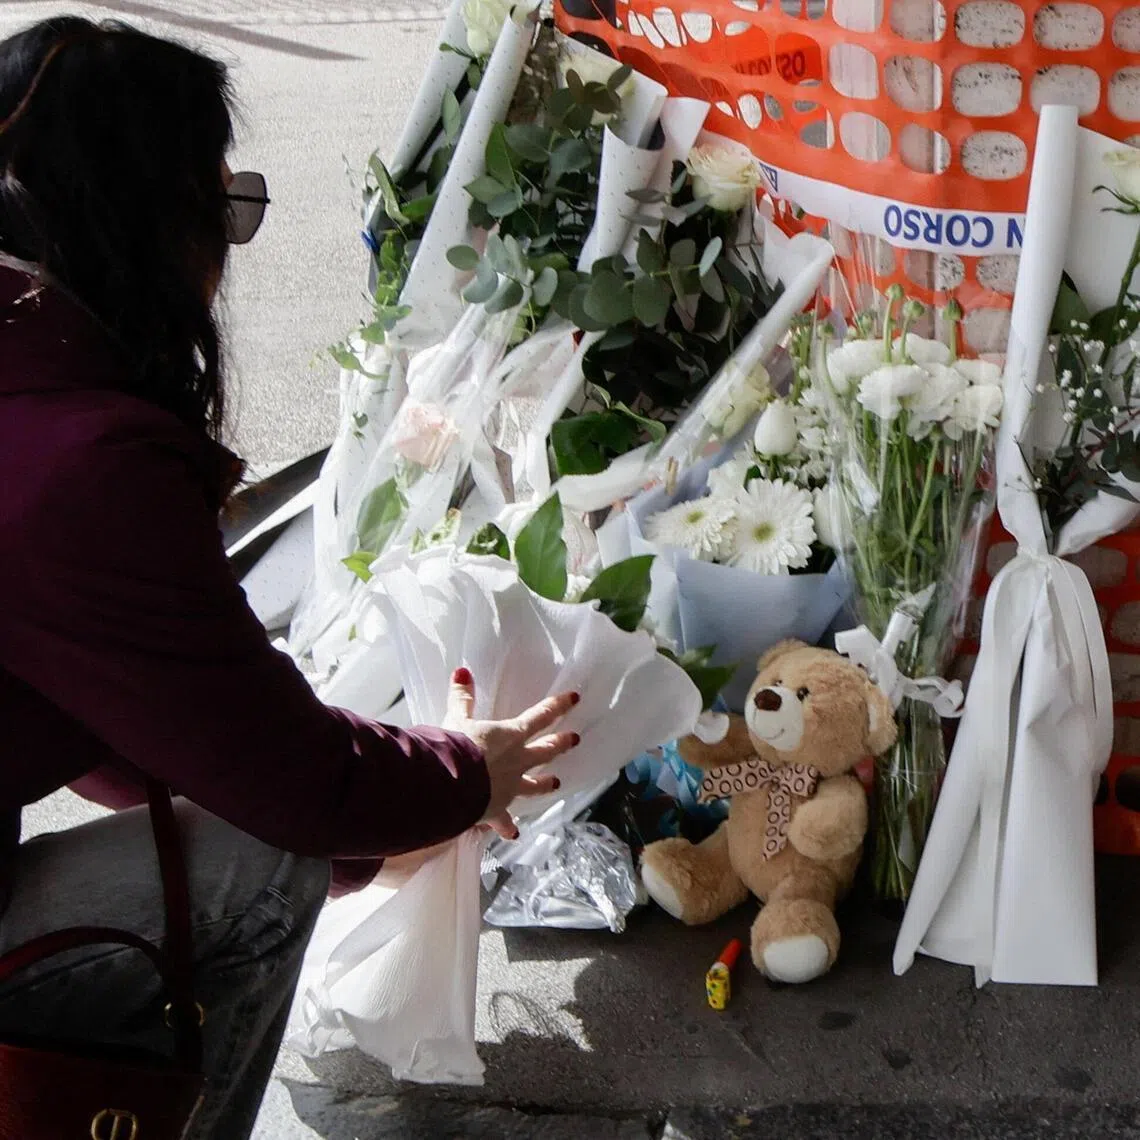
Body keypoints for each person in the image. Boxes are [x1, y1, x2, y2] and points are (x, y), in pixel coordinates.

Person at [0, 16, 579, 1138]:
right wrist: (461, 775)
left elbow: (143, 717)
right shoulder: (78, 465)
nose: (222, 254)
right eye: (221, 211)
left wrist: (371, 811)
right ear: (136, 221)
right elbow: (285, 784)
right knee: (266, 866)